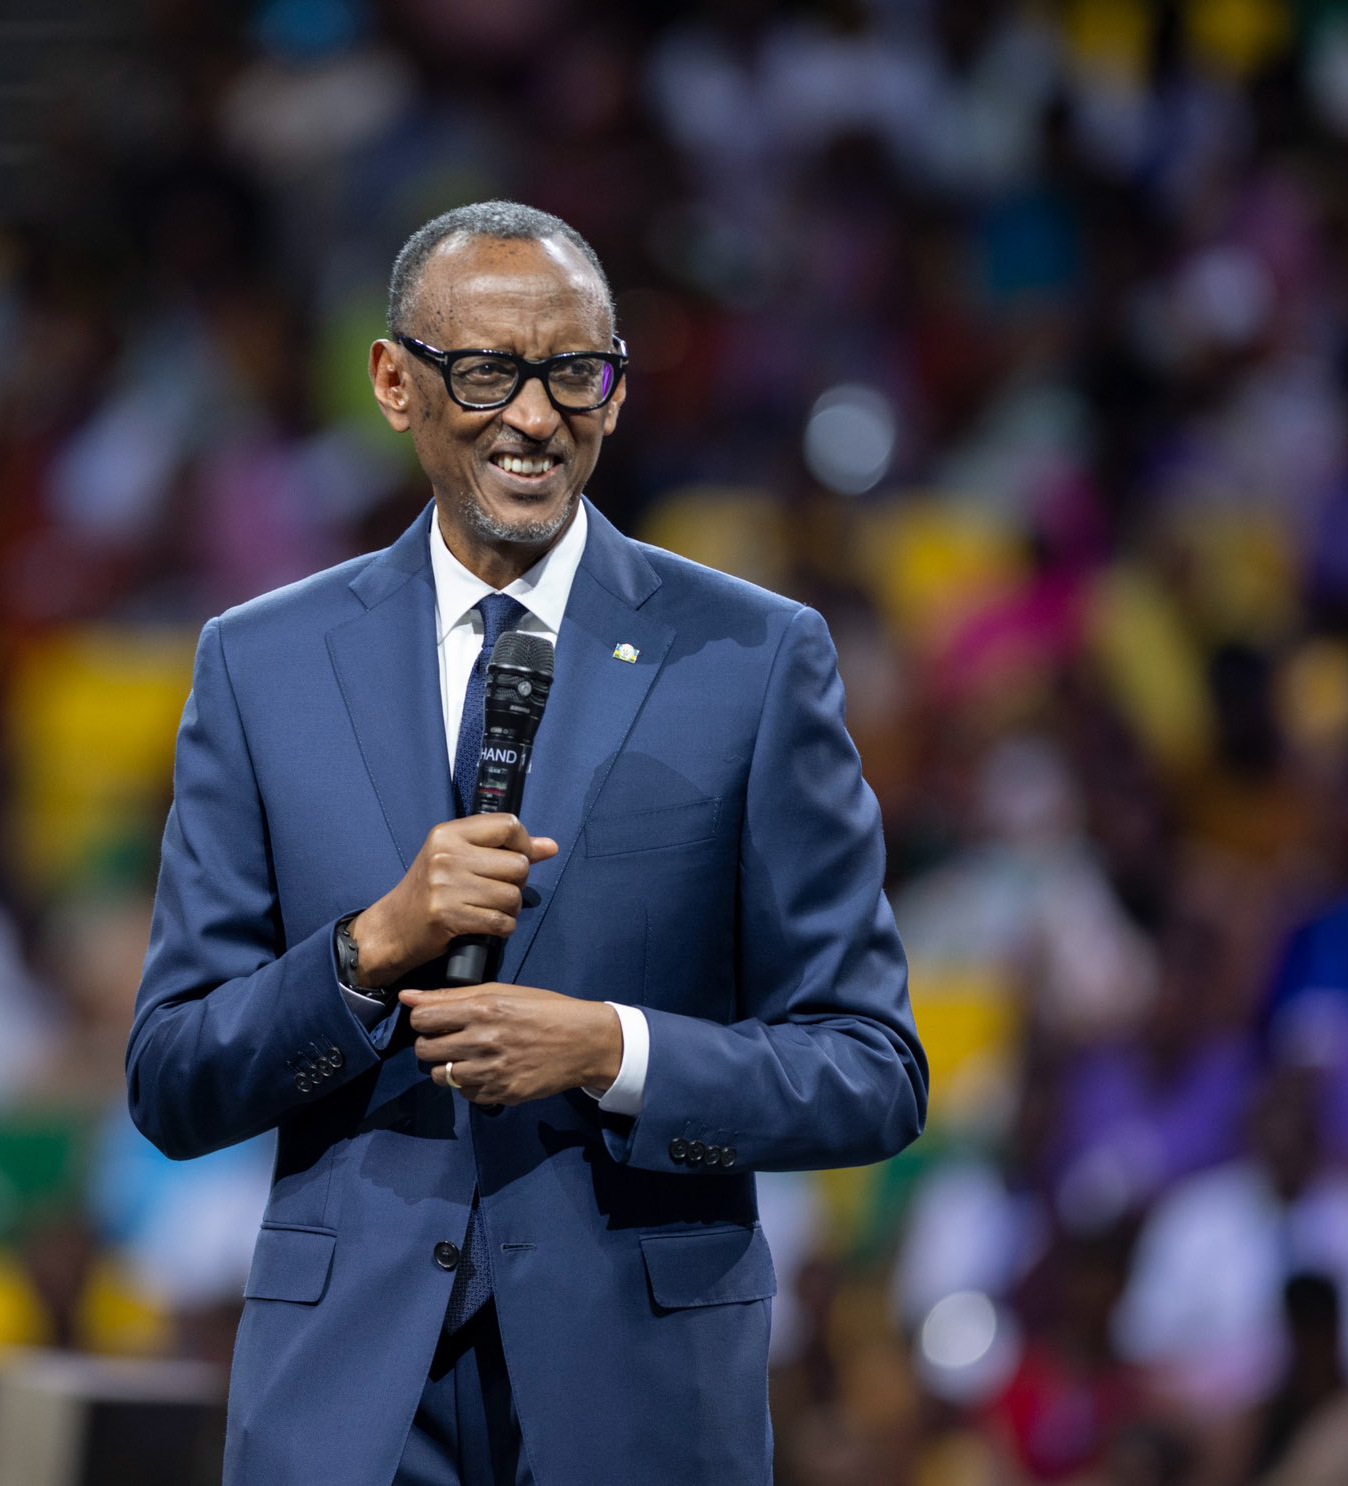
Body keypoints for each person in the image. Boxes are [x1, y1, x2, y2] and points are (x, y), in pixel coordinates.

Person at [127, 200, 927, 1486]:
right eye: (488, 372)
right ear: (394, 383)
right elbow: (172, 1078)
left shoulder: (752, 658)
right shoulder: (260, 663)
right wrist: (371, 946)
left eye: (575, 372)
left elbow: (871, 1070)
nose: (538, 417)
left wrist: (611, 1048)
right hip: (347, 1405)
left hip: (639, 1402)